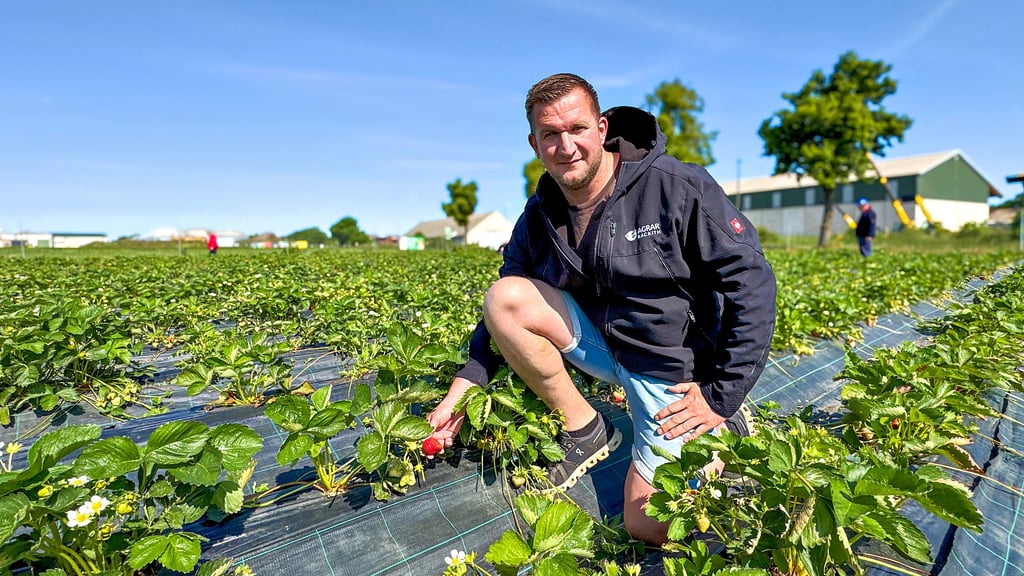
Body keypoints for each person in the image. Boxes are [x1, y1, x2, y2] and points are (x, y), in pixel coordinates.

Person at [426, 73, 776, 545]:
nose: (566, 146)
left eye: (577, 129)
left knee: (648, 525)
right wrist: (463, 386)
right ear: (534, 143)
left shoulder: (674, 185)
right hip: (602, 349)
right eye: (550, 135)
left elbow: (751, 281)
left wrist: (721, 394)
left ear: (602, 127)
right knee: (505, 297)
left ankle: (723, 429)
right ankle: (585, 428)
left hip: (670, 368)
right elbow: (505, 301)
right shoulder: (541, 212)